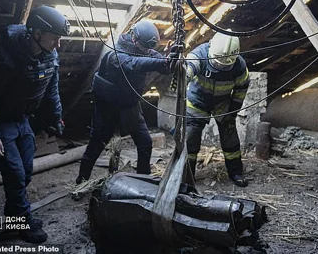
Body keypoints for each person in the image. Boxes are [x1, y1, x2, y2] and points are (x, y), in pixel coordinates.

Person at [0, 6, 70, 243]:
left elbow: (51, 90)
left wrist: (55, 117)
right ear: (36, 33)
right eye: (55, 38)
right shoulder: (3, 57)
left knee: (25, 173)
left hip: (22, 120)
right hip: (1, 122)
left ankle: (12, 219)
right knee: (15, 174)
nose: (59, 44)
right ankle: (23, 222)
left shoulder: (50, 55)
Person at [76, 20, 174, 184]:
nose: (146, 51)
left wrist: (169, 59)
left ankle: (143, 181)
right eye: (144, 47)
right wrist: (162, 61)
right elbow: (134, 64)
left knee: (145, 143)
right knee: (96, 146)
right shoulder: (116, 54)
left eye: (148, 49)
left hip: (129, 105)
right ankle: (81, 181)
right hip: (107, 108)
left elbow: (161, 65)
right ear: (134, 39)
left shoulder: (145, 49)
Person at [185, 32, 249, 187]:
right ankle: (187, 175)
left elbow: (242, 87)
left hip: (223, 104)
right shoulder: (200, 54)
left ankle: (236, 172)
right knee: (191, 138)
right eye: (218, 63)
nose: (220, 66)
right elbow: (190, 66)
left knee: (230, 137)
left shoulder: (239, 66)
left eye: (224, 65)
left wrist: (233, 110)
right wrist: (183, 74)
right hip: (197, 102)